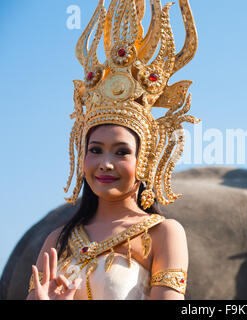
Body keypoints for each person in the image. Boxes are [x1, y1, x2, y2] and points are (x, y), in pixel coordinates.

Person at [26, 0, 199, 300]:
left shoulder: (163, 235)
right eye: (95, 150)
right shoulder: (58, 241)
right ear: (81, 156)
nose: (105, 163)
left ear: (145, 158)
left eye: (121, 152)